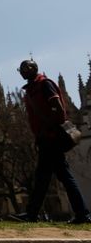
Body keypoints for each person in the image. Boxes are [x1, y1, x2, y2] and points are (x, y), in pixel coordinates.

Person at [19, 59, 91, 224]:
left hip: (51, 138)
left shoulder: (44, 84)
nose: (22, 72)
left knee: (54, 177)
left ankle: (81, 214)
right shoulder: (32, 88)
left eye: (25, 68)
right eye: (20, 69)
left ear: (33, 68)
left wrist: (49, 128)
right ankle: (33, 213)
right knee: (46, 178)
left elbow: (58, 109)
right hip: (45, 138)